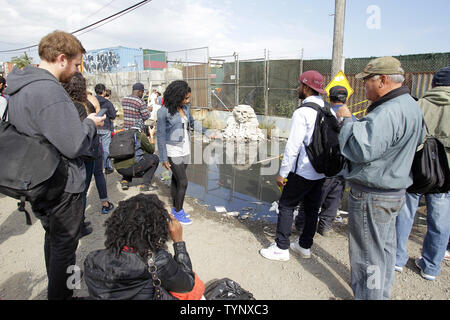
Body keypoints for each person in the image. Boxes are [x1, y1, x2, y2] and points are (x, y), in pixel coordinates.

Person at [4, 30, 105, 300]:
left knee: (53, 239)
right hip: (61, 184)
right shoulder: (49, 90)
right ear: (61, 58)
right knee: (65, 248)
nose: (75, 72)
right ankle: (63, 295)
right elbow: (74, 145)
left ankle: (57, 290)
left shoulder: (19, 88)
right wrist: (90, 123)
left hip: (37, 181)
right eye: (75, 65)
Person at [336, 56, 425, 300]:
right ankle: (380, 295)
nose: (364, 87)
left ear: (383, 80)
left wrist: (346, 120)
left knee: (368, 259)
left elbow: (361, 149)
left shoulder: (388, 111)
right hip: (394, 192)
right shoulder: (411, 105)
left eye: (367, 82)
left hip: (373, 194)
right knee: (384, 251)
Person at [260, 70, 327, 262]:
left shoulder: (303, 112)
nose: (298, 88)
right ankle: (304, 246)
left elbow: (293, 146)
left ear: (306, 87)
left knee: (286, 205)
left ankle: (281, 248)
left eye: (300, 85)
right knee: (313, 209)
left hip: (303, 171)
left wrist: (282, 173)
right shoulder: (327, 109)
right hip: (320, 171)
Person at [84, 193, 198, 300]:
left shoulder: (92, 259)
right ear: (155, 230)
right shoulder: (158, 261)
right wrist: (178, 242)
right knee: (197, 287)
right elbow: (187, 284)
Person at [395, 66, 450, 281]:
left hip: (416, 168)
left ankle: (397, 259)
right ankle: (430, 267)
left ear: (434, 84)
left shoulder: (418, 105)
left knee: (405, 212)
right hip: (446, 174)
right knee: (440, 219)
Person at [294, 85, 352, 237]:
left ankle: (301, 226)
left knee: (312, 201)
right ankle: (324, 228)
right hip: (342, 169)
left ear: (330, 99)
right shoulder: (353, 119)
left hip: (322, 168)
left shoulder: (324, 115)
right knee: (333, 201)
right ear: (346, 98)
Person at [62, 73, 115, 234]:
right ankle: (85, 219)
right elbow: (99, 116)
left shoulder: (63, 103)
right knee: (88, 183)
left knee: (77, 187)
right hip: (89, 147)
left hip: (71, 150)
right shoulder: (88, 101)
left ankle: (78, 219)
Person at [157, 80, 210, 226]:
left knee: (176, 179)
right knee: (183, 181)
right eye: (185, 98)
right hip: (173, 149)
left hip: (185, 148)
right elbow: (160, 136)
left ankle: (175, 209)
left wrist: (208, 132)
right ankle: (179, 212)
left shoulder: (185, 108)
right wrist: (163, 157)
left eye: (188, 98)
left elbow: (192, 123)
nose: (187, 100)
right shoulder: (163, 112)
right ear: (176, 96)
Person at [113, 119, 160, 192]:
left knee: (128, 155)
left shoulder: (123, 134)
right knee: (155, 158)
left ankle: (125, 180)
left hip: (119, 169)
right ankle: (145, 185)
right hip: (131, 169)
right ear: (142, 128)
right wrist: (151, 136)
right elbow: (151, 150)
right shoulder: (140, 135)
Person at [95, 83, 117, 174]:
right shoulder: (107, 102)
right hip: (105, 127)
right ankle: (107, 166)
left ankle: (97, 167)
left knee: (96, 148)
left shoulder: (92, 101)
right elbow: (112, 115)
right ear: (104, 92)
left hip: (95, 128)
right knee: (106, 148)